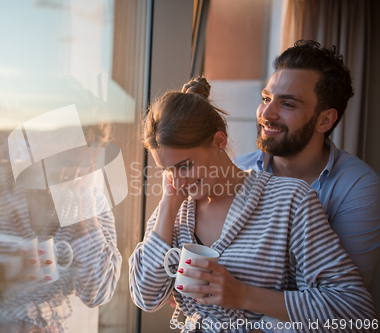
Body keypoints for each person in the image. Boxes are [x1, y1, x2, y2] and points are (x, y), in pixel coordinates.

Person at [129, 77, 377, 333]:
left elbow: (354, 310)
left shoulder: (290, 201)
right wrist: (169, 204)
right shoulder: (176, 210)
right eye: (167, 170)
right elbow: (146, 297)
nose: (178, 180)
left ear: (219, 141)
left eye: (185, 166)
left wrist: (243, 295)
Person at [234, 40, 380, 290]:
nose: (266, 114)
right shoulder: (236, 170)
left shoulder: (359, 188)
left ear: (325, 120)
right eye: (266, 98)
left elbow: (341, 303)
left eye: (288, 103)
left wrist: (239, 299)